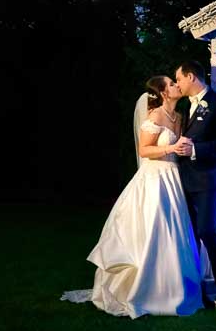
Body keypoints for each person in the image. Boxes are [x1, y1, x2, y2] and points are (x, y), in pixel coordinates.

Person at [78, 75, 203, 318]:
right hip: (154, 180)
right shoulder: (154, 116)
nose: (177, 85)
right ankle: (145, 290)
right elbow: (144, 150)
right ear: (164, 93)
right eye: (172, 83)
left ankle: (172, 287)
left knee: (174, 232)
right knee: (154, 229)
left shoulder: (179, 117)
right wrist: (170, 148)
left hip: (173, 179)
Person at [174, 60, 216, 304]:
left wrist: (195, 150)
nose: (177, 84)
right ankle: (196, 286)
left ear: (191, 76)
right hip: (186, 180)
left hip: (209, 179)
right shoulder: (185, 107)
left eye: (179, 79)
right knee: (190, 233)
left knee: (207, 230)